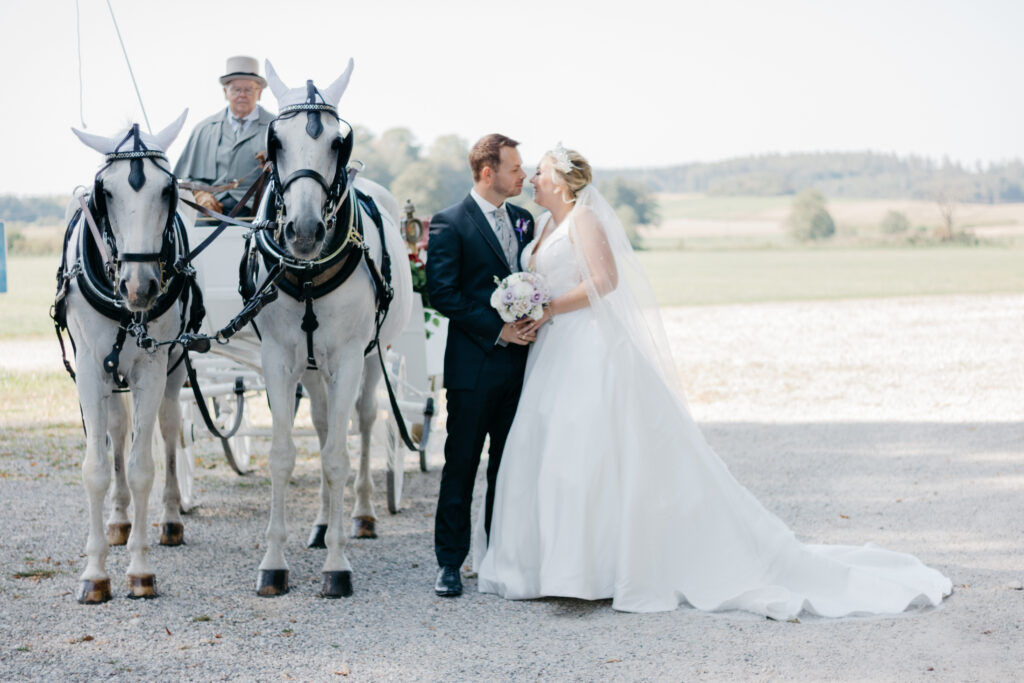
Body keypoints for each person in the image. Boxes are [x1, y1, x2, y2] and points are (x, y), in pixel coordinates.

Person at [476, 145, 952, 617]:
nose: (531, 181)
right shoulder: (540, 226)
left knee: (592, 448)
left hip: (588, 346)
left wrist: (548, 307)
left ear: (558, 179)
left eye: (537, 173)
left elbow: (605, 280)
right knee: (552, 450)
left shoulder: (584, 220)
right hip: (552, 352)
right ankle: (553, 568)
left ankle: (600, 569)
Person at [425, 134, 535, 597]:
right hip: (474, 367)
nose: (522, 175)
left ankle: (498, 557)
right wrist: (498, 328)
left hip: (526, 365)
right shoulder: (450, 223)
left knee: (508, 468)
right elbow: (442, 292)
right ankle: (450, 563)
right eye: (514, 168)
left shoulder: (526, 220)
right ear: (487, 172)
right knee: (462, 465)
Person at [174, 55, 274, 216]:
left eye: (248, 89)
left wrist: (275, 161)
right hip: (210, 212)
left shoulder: (276, 128)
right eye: (236, 89)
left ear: (259, 93)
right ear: (225, 92)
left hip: (260, 211)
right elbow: (187, 181)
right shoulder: (203, 129)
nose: (242, 95)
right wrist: (200, 195)